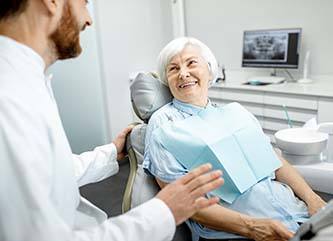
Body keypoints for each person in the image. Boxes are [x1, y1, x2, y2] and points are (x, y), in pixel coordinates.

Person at [0, 1, 224, 241]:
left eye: (192, 63)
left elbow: (49, 175)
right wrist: (163, 211)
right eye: (84, 3)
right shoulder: (10, 98)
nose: (89, 19)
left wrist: (109, 153)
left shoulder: (26, 81)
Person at [143, 37, 327, 241]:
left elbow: (274, 162)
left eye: (191, 63)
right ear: (166, 80)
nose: (184, 73)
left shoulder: (235, 113)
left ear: (210, 69)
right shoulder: (164, 124)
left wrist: (313, 199)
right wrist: (252, 227)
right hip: (243, 231)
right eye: (173, 69)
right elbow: (180, 200)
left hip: (296, 213)